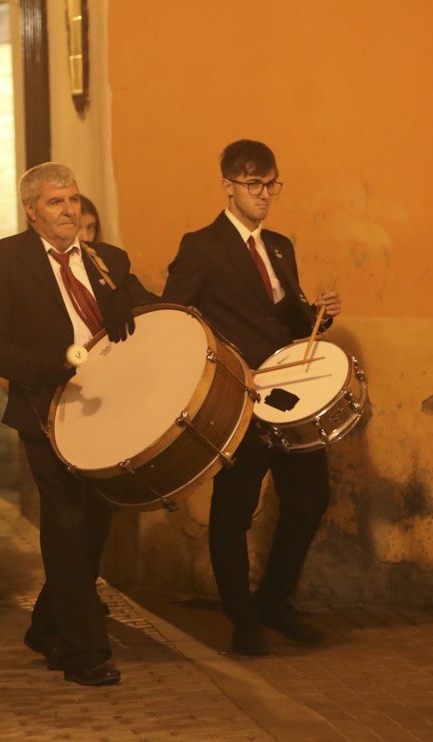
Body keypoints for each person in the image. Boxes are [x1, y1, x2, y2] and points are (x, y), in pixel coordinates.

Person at [0, 162, 155, 687]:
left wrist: (132, 306)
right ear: (32, 211)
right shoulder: (10, 259)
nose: (69, 210)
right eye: (56, 202)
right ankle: (83, 650)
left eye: (73, 200)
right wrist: (43, 366)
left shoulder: (109, 260)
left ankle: (47, 623)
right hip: (45, 409)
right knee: (67, 520)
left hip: (105, 409)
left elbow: (151, 315)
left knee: (95, 522)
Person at [162, 140, 341, 656]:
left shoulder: (280, 245)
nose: (265, 195)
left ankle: (275, 600)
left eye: (271, 185)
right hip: (238, 399)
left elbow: (288, 319)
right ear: (229, 186)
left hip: (289, 398)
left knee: (310, 498)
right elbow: (177, 319)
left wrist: (319, 314)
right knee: (234, 511)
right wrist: (219, 372)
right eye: (254, 185)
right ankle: (242, 616)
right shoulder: (201, 246)